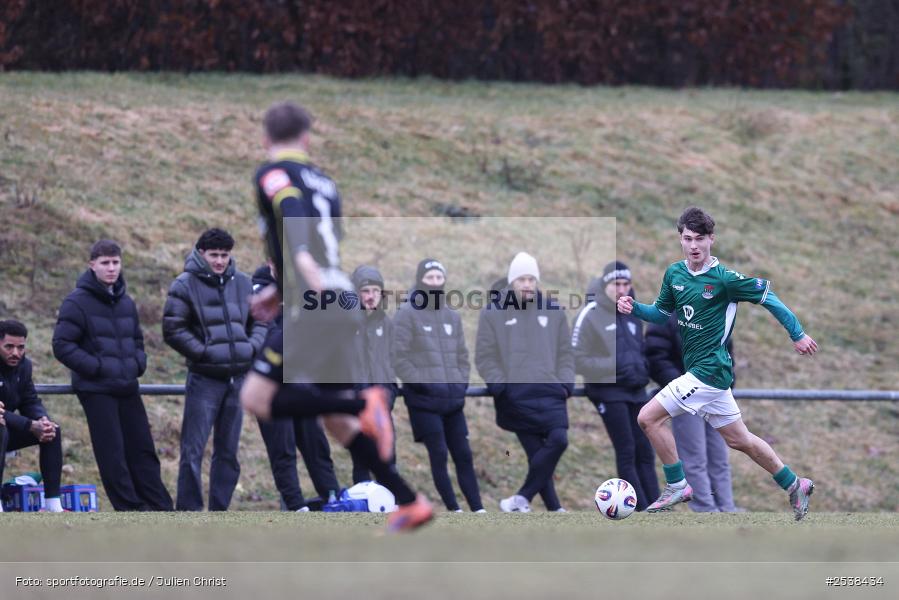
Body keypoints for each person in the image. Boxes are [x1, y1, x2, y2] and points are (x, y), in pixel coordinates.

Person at [239, 101, 432, 531]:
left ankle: (368, 400)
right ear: (307, 138)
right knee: (338, 420)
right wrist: (280, 288)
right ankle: (409, 500)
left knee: (255, 398)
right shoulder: (325, 182)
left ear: (265, 138)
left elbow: (296, 221)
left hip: (315, 297)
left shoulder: (273, 174)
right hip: (335, 295)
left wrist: (302, 273)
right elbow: (331, 244)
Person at [618, 207, 818, 520]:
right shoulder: (675, 274)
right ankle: (794, 483)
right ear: (680, 239)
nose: (693, 245)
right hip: (705, 375)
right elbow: (660, 314)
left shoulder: (725, 280)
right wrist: (635, 309)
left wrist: (798, 333)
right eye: (687, 238)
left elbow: (769, 298)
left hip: (709, 372)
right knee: (741, 440)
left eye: (700, 238)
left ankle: (677, 485)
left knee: (647, 418)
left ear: (712, 239)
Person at [52, 240, 173, 511]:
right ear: (91, 265)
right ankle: (130, 508)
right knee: (112, 454)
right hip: (96, 390)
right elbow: (61, 345)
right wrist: (96, 368)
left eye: (115, 262)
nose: (111, 268)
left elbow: (138, 341)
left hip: (127, 386)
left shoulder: (126, 302)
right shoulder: (76, 302)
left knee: (143, 450)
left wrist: (137, 364)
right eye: (105, 263)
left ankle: (160, 506)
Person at [162, 228, 267, 511]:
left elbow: (260, 322)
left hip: (238, 380)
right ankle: (189, 510)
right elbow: (173, 329)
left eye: (224, 255)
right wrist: (205, 353)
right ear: (201, 253)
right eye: (214, 255)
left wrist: (250, 348)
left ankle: (220, 510)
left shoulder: (244, 284)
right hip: (204, 380)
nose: (219, 260)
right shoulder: (183, 285)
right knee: (192, 450)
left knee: (228, 452)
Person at [475, 252, 575, 513]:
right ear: (512, 282)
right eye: (522, 279)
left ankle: (520, 499)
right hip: (516, 397)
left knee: (559, 441)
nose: (528, 284)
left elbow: (565, 352)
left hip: (551, 392)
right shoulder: (493, 312)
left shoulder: (553, 310)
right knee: (536, 455)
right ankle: (554, 508)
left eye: (531, 279)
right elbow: (485, 356)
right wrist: (501, 387)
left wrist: (565, 383)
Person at [393, 259, 484, 513]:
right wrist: (424, 385)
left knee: (464, 455)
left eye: (438, 277)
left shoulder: (451, 316)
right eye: (430, 277)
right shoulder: (406, 313)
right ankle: (454, 509)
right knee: (439, 454)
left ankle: (478, 509)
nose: (434, 282)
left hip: (453, 402)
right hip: (424, 402)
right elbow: (398, 358)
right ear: (420, 279)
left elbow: (462, 357)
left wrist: (458, 385)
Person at [250, 264, 341, 511]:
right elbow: (268, 336)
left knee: (316, 444)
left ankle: (333, 498)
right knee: (283, 448)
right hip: (270, 386)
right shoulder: (256, 289)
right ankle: (295, 505)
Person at [571, 261, 659, 511]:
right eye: (615, 284)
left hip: (636, 392)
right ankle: (639, 508)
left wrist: (641, 369)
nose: (621, 289)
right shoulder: (590, 314)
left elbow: (640, 351)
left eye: (625, 284)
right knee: (627, 450)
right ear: (605, 285)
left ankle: (658, 508)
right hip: (608, 392)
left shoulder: (633, 314)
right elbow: (576, 357)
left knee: (645, 452)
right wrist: (612, 368)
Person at [646, 312, 738, 513]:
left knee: (719, 457)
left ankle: (727, 508)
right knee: (694, 458)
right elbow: (656, 356)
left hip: (714, 394)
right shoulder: (666, 317)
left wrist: (728, 379)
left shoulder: (713, 311)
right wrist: (684, 387)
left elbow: (725, 350)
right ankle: (706, 509)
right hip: (686, 397)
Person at [0, 320, 65, 513]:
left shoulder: (24, 366)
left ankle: (53, 504)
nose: (16, 353)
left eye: (21, 347)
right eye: (9, 347)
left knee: (52, 430)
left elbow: (29, 400)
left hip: (7, 430)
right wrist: (30, 425)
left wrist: (42, 420)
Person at [350, 265, 398, 483]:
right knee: (362, 461)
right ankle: (362, 513)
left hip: (382, 405)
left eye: (376, 291)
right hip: (357, 405)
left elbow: (392, 362)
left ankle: (390, 507)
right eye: (366, 291)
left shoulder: (386, 324)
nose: (371, 296)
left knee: (388, 458)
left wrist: (390, 393)